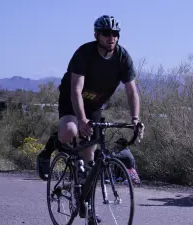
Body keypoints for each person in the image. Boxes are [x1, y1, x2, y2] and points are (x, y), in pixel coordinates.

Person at [36, 15, 141, 224]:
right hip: (71, 99)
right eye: (106, 34)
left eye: (115, 34)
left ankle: (89, 209)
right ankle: (48, 151)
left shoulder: (122, 58)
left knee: (90, 159)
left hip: (94, 106)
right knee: (70, 131)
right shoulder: (84, 53)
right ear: (97, 35)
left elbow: (132, 92)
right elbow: (76, 90)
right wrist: (81, 119)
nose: (111, 37)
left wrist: (136, 119)